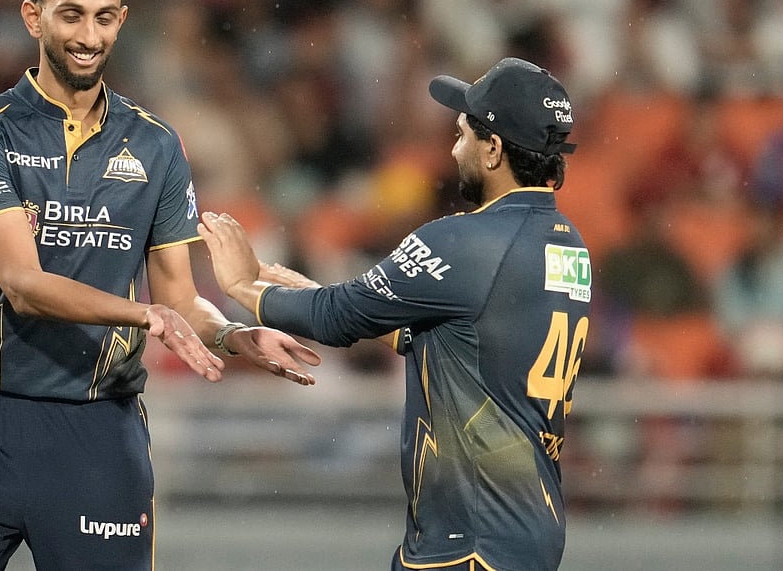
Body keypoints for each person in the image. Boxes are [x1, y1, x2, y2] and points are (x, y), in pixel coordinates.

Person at [0, 0, 321, 571]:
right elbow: (22, 281)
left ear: (123, 20)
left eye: (105, 17)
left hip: (99, 432)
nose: (88, 35)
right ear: (33, 16)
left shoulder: (157, 146)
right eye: (70, 14)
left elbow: (179, 299)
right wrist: (144, 316)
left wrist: (233, 336)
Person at [199, 57, 591, 571]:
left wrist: (240, 286)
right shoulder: (569, 245)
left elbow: (335, 319)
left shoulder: (463, 241)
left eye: (463, 135)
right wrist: (324, 294)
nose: (454, 149)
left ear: (493, 149)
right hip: (526, 532)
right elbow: (461, 346)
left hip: (468, 543)